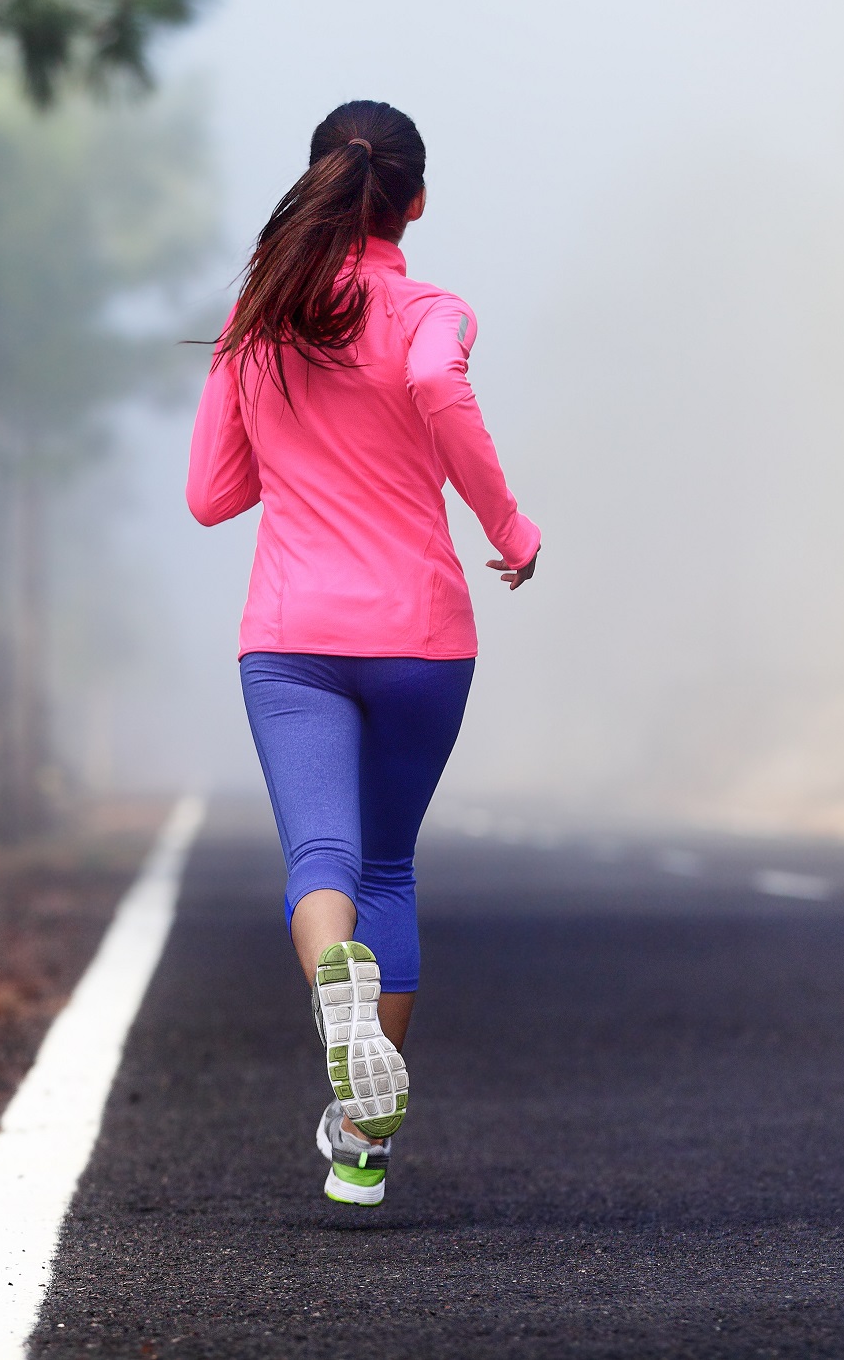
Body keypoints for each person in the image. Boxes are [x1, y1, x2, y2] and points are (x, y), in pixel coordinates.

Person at [186, 100, 540, 1207]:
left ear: (321, 184)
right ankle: (362, 1142)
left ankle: (334, 1007)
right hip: (422, 638)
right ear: (415, 203)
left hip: (293, 642)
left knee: (322, 864)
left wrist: (285, 425)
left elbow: (210, 495)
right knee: (389, 867)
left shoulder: (261, 318)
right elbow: (436, 385)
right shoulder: (434, 311)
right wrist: (511, 529)